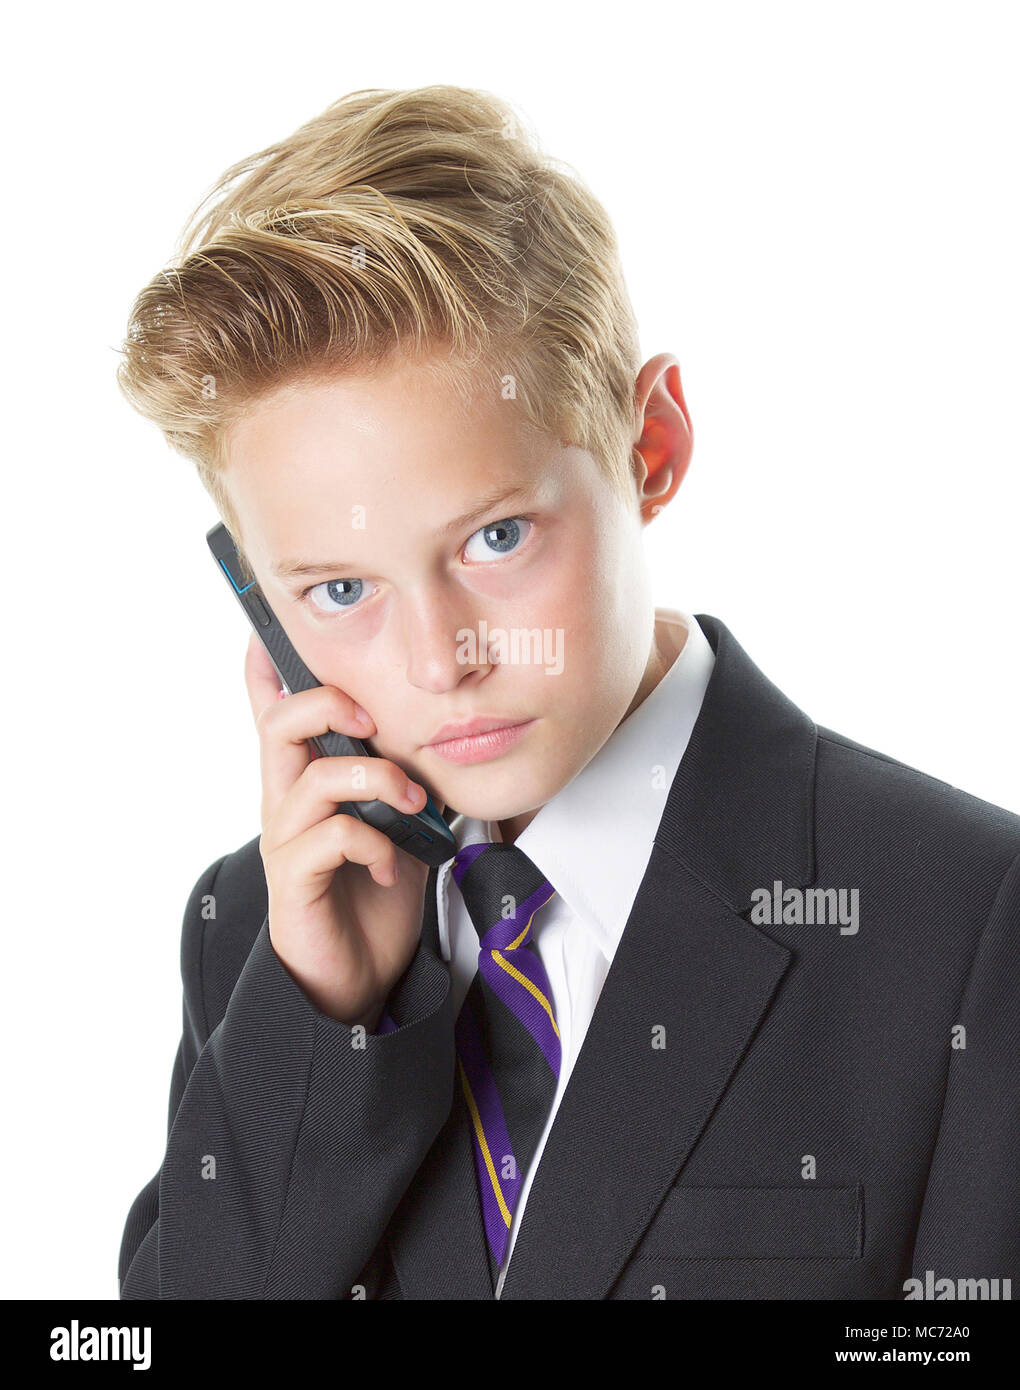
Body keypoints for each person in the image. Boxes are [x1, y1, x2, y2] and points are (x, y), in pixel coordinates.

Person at [116, 84, 1019, 1300]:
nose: (441, 663)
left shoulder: (964, 921)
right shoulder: (258, 928)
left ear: (650, 449)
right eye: (339, 592)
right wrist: (326, 1020)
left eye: (495, 540)